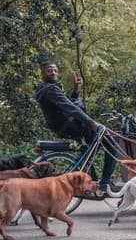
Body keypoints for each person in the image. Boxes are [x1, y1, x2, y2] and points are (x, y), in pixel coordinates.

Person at [35, 60, 116, 194]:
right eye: (49, 70)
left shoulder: (46, 88)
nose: (53, 72)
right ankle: (104, 183)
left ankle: (87, 170)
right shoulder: (50, 89)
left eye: (55, 70)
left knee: (93, 144)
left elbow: (65, 104)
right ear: (43, 73)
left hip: (63, 126)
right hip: (69, 125)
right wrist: (92, 123)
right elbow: (70, 108)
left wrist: (76, 91)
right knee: (112, 140)